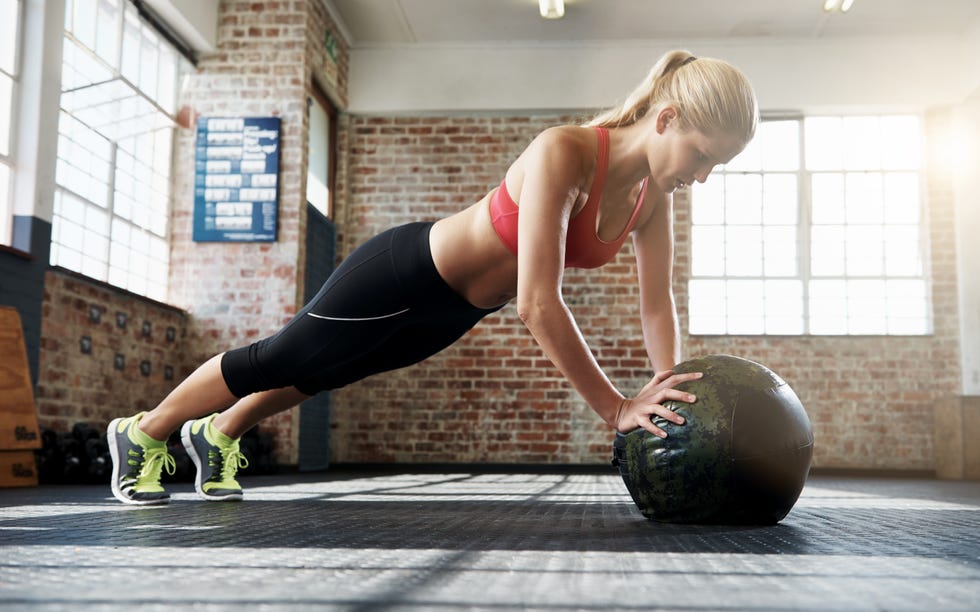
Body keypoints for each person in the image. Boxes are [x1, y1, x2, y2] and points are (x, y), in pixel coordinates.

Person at [107, 50, 758, 505]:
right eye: (702, 156)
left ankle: (218, 433)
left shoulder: (653, 199)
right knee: (279, 357)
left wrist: (674, 394)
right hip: (404, 272)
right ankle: (145, 432)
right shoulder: (569, 151)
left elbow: (656, 307)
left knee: (328, 371)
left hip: (455, 310)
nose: (701, 176)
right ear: (668, 119)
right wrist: (616, 407)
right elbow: (537, 301)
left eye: (715, 167)